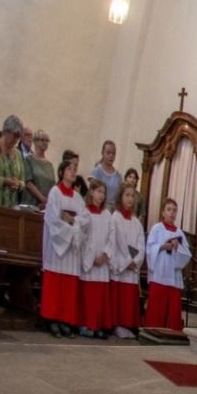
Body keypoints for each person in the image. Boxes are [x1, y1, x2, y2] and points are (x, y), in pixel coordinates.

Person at [42, 156, 87, 338]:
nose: (73, 171)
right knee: (55, 283)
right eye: (69, 168)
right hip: (57, 245)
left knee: (68, 285)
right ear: (61, 173)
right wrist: (68, 225)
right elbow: (52, 218)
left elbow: (84, 220)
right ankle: (52, 319)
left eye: (75, 169)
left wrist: (72, 221)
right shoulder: (54, 192)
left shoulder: (78, 197)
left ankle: (64, 320)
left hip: (71, 248)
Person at [145, 199, 192, 331]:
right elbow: (149, 248)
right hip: (159, 273)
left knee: (173, 307)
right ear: (163, 212)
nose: (172, 213)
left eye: (174, 210)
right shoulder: (157, 228)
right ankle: (152, 330)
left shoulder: (179, 232)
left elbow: (186, 255)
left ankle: (172, 332)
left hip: (173, 275)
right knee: (156, 306)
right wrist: (161, 246)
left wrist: (178, 248)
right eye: (169, 209)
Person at [77, 179, 116, 339]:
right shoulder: (85, 212)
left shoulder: (107, 214)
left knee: (99, 297)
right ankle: (86, 325)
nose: (101, 195)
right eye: (98, 191)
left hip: (103, 261)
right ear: (91, 192)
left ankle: (98, 324)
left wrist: (106, 254)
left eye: (103, 192)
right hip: (90, 261)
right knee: (88, 296)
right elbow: (82, 237)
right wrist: (91, 258)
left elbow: (112, 237)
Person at [111, 185, 146, 339]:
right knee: (118, 297)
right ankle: (116, 324)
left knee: (128, 298)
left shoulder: (136, 223)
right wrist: (127, 260)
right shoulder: (115, 217)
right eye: (127, 195)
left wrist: (135, 261)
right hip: (120, 264)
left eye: (132, 196)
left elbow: (140, 245)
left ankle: (127, 324)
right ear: (121, 197)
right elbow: (117, 242)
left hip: (131, 267)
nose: (130, 199)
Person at [0, 124, 29, 207]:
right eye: (14, 136)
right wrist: (4, 181)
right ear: (6, 132)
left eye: (18, 137)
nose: (16, 140)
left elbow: (23, 181)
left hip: (12, 207)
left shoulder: (18, 154)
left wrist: (18, 184)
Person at [89, 140, 122, 211]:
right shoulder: (96, 171)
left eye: (113, 154)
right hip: (99, 207)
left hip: (113, 210)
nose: (111, 156)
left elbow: (119, 196)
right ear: (102, 153)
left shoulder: (118, 176)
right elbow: (92, 193)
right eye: (108, 153)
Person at [25, 129, 55, 205]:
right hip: (31, 204)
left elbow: (53, 186)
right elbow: (28, 183)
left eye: (47, 140)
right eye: (42, 140)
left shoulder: (49, 165)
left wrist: (49, 201)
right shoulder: (28, 160)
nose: (45, 143)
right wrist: (43, 199)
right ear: (34, 141)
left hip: (46, 206)